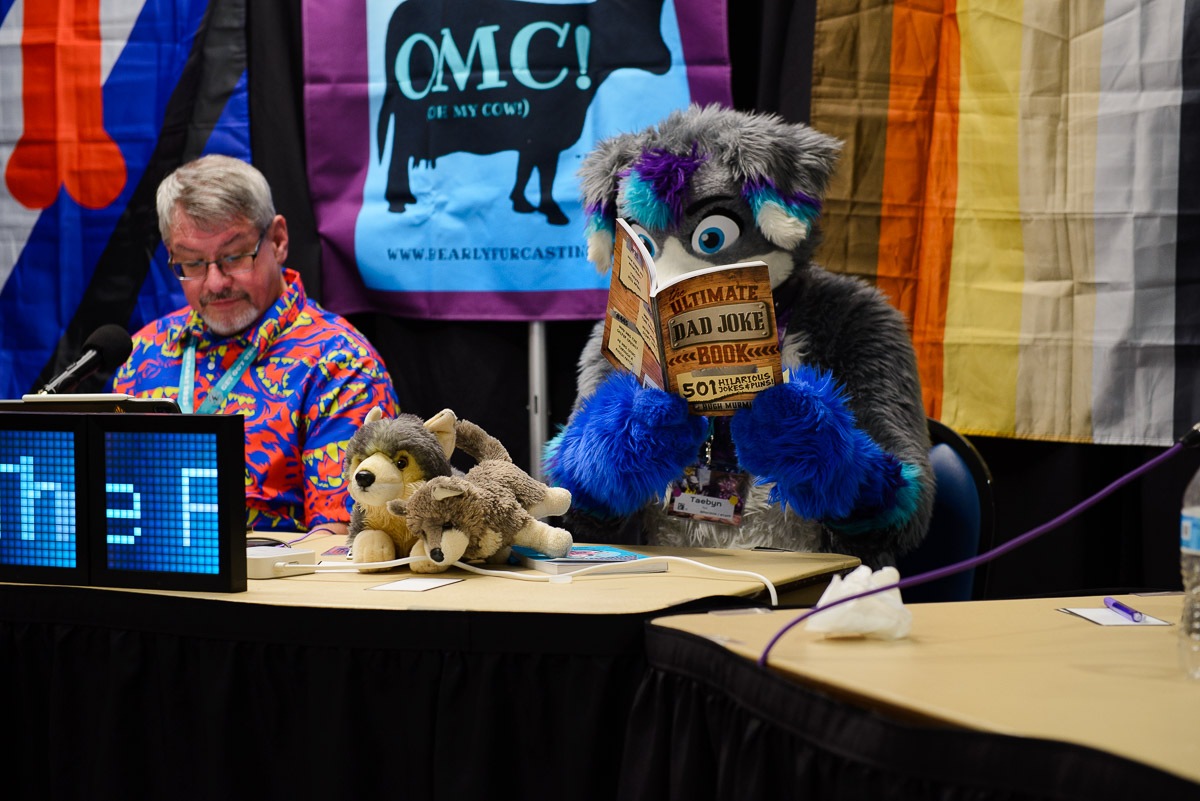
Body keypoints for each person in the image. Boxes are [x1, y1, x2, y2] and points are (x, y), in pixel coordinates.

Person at [111, 154, 400, 537]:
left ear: (277, 240)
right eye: (192, 263)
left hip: (274, 572)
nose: (215, 283)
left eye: (233, 257)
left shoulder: (341, 364)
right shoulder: (142, 353)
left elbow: (340, 540)